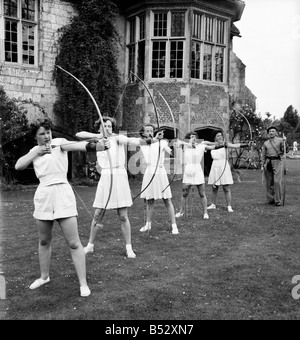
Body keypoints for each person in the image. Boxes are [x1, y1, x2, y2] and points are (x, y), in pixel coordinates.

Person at [14, 118, 109, 297]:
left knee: (74, 242)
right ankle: (44, 277)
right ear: (36, 136)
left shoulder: (59, 144)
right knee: (44, 241)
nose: (47, 136)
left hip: (62, 193)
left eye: (48, 132)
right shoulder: (34, 151)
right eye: (42, 133)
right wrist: (37, 152)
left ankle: (83, 284)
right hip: (43, 195)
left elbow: (78, 146)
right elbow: (19, 166)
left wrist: (99, 146)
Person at [76, 117, 163, 258]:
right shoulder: (97, 140)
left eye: (110, 126)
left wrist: (153, 140)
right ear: (99, 128)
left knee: (123, 215)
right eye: (104, 126)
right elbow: (79, 135)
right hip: (105, 176)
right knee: (98, 214)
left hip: (119, 176)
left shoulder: (117, 138)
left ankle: (129, 248)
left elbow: (135, 141)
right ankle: (90, 246)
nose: (107, 128)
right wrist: (98, 136)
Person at [138, 124, 179, 235]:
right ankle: (148, 224)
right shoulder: (142, 143)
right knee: (149, 200)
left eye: (151, 130)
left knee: (167, 199)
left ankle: (174, 225)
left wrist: (173, 146)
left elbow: (169, 150)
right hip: (150, 171)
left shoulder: (162, 142)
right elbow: (150, 142)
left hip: (160, 172)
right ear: (143, 133)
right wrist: (156, 139)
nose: (150, 132)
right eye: (147, 130)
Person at [175, 132, 225, 220]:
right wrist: (185, 142)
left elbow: (213, 147)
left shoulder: (201, 146)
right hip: (188, 171)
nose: (193, 138)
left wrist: (222, 145)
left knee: (202, 193)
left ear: (197, 138)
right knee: (184, 193)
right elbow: (176, 143)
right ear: (188, 139)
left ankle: (205, 213)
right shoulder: (185, 145)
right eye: (191, 137)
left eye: (194, 137)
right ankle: (181, 212)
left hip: (198, 170)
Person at [207, 129, 250, 212]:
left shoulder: (225, 144)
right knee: (214, 188)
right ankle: (213, 204)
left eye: (221, 135)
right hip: (215, 166)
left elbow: (236, 145)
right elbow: (203, 143)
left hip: (223, 165)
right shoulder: (212, 145)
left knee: (226, 188)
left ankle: (229, 206)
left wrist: (247, 144)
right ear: (214, 137)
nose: (220, 137)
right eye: (218, 136)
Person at [261, 126, 287, 206]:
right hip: (268, 162)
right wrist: (262, 164)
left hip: (277, 162)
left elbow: (286, 150)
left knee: (277, 181)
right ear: (268, 133)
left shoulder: (280, 140)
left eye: (273, 131)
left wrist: (285, 142)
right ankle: (270, 199)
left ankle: (278, 200)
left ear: (276, 132)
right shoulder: (266, 143)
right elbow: (263, 155)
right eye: (270, 131)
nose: (271, 133)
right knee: (269, 182)